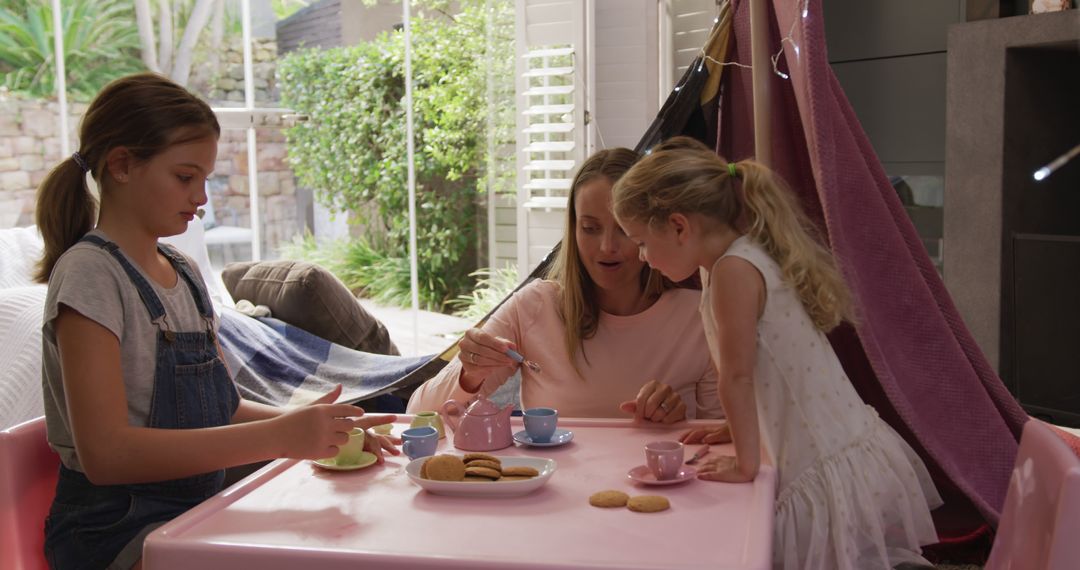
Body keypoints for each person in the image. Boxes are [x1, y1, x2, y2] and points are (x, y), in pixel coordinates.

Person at [34, 73, 397, 570]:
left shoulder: (181, 272)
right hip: (115, 530)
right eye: (185, 177)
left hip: (196, 508)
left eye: (204, 179)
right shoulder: (89, 275)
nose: (201, 198)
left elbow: (221, 409)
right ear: (121, 165)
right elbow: (106, 455)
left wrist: (323, 428)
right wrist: (282, 438)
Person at [612, 137, 942, 569]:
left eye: (639, 242)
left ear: (678, 226)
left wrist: (745, 464)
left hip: (818, 456)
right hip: (839, 442)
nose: (641, 257)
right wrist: (733, 428)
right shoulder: (730, 261)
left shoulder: (734, 270)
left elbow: (739, 375)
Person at [407, 148, 726, 423]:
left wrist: (678, 422)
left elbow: (723, 440)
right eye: (590, 228)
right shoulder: (533, 307)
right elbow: (418, 414)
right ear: (572, 231)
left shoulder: (699, 316)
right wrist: (470, 373)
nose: (606, 247)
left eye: (624, 230)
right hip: (550, 492)